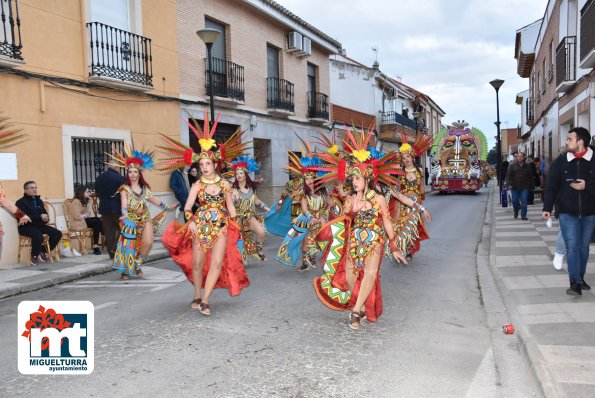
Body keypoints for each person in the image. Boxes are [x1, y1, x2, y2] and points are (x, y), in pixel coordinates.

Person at [313, 126, 408, 330]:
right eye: (353, 178)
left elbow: (387, 221)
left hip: (374, 241)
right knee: (350, 279)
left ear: (367, 180)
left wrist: (394, 246)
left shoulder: (379, 199)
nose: (354, 182)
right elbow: (345, 221)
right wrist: (353, 212)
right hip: (355, 241)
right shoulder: (349, 199)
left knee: (371, 273)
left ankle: (356, 312)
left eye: (357, 179)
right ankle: (362, 306)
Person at [160, 114, 249, 316]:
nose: (204, 168)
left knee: (217, 262)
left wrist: (238, 226)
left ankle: (206, 300)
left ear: (215, 164)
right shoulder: (197, 185)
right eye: (201, 165)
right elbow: (188, 206)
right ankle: (197, 294)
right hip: (200, 226)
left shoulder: (225, 184)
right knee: (198, 264)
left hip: (221, 226)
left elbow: (231, 208)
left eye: (207, 164)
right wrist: (190, 221)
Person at [108, 144, 177, 280]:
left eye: (135, 172)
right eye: (130, 172)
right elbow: (123, 203)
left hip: (145, 218)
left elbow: (155, 200)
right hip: (130, 220)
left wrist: (169, 207)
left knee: (148, 242)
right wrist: (124, 213)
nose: (132, 174)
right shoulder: (125, 188)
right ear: (127, 173)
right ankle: (127, 270)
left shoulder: (145, 189)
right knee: (129, 246)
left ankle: (137, 262)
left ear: (139, 173)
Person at [542, 127, 595, 295]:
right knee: (572, 246)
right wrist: (547, 207)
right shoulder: (561, 161)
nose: (566, 142)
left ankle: (580, 277)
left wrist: (587, 186)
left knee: (584, 247)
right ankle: (574, 283)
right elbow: (551, 186)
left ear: (580, 141)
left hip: (589, 212)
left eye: (569, 139)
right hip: (567, 211)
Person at [275, 144, 329, 272]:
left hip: (319, 216)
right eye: (307, 178)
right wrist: (280, 203)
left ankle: (310, 257)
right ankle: (305, 261)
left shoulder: (323, 190)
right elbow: (284, 195)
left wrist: (323, 216)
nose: (309, 181)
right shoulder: (294, 186)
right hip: (301, 215)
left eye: (311, 178)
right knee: (304, 238)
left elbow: (327, 204)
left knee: (323, 239)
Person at [231, 156, 269, 262]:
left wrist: (265, 207)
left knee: (261, 232)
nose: (238, 175)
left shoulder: (251, 188)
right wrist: (234, 198)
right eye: (237, 174)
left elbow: (256, 201)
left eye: (241, 173)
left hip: (249, 216)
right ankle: (238, 258)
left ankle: (259, 250)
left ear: (246, 175)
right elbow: (230, 204)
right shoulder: (233, 189)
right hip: (237, 218)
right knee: (238, 240)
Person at [16, 181, 63, 265]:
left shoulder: (39, 201)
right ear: (25, 190)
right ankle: (34, 255)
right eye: (32, 188)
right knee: (38, 236)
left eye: (35, 187)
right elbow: (23, 217)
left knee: (57, 233)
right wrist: (39, 216)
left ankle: (43, 251)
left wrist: (46, 218)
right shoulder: (20, 202)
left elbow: (44, 213)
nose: (34, 189)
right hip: (26, 227)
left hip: (40, 225)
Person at [95, 165, 125, 259]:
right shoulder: (120, 178)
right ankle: (115, 247)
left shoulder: (99, 177)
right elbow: (124, 193)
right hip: (116, 207)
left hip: (103, 207)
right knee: (124, 227)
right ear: (116, 167)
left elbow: (97, 192)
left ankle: (111, 253)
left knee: (108, 231)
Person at [65, 186, 104, 255]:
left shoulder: (82, 201)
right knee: (97, 220)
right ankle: (103, 235)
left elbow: (87, 213)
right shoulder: (75, 201)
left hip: (82, 221)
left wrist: (88, 202)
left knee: (96, 223)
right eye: (87, 192)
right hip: (76, 223)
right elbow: (77, 217)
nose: (89, 193)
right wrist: (85, 215)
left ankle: (96, 245)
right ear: (82, 192)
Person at [505, 152, 534, 220]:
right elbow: (508, 176)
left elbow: (531, 177)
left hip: (525, 187)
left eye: (521, 156)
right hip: (514, 187)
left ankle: (523, 215)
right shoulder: (512, 166)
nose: (519, 157)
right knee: (515, 201)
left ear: (524, 157)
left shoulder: (527, 166)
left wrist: (532, 186)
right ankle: (516, 211)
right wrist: (508, 184)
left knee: (524, 201)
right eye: (518, 156)